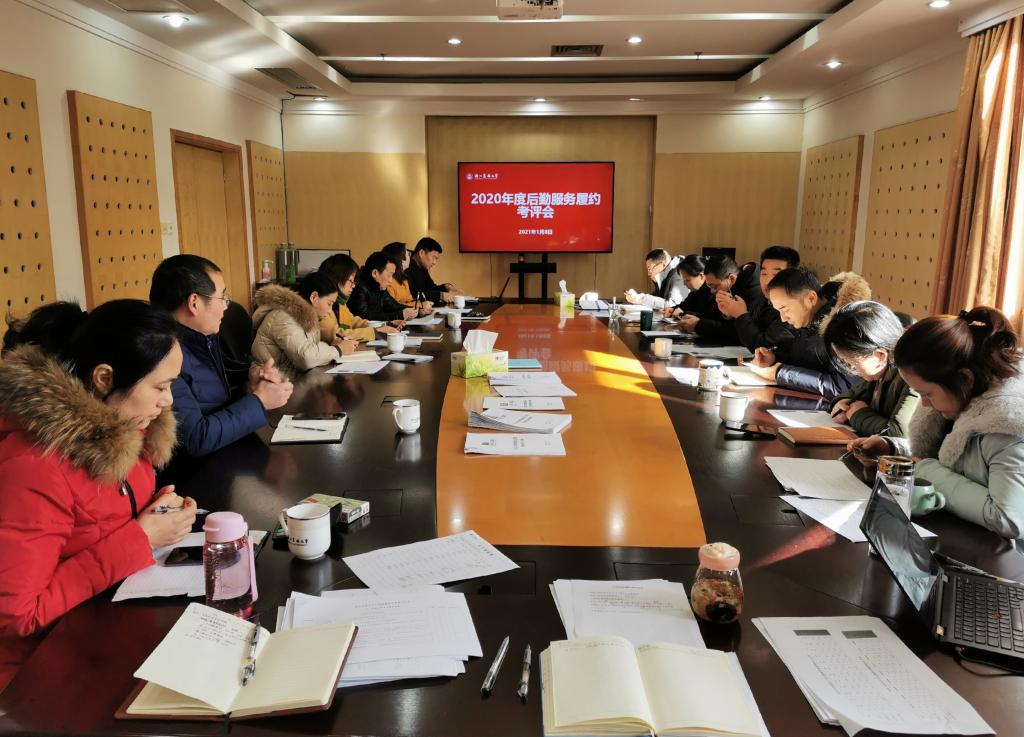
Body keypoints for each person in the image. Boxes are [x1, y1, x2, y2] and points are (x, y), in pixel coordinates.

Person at [0, 300, 197, 688]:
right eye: (160, 387)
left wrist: (158, 514)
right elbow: (16, 615)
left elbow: (103, 520)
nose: (168, 401)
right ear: (105, 378)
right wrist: (140, 539)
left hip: (105, 628)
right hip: (37, 673)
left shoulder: (126, 431)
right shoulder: (34, 466)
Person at [849, 307, 1024, 539]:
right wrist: (893, 448)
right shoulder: (960, 398)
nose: (924, 403)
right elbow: (949, 454)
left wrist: (923, 469)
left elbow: (1009, 518)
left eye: (927, 393)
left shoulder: (1008, 425)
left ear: (965, 378)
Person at [150, 255, 292, 458]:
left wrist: (249, 389)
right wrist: (259, 401)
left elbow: (210, 403)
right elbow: (195, 438)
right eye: (222, 297)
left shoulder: (201, 339)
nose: (226, 306)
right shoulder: (162, 355)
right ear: (194, 303)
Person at [748, 267, 869, 399]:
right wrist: (774, 359)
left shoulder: (847, 325)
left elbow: (841, 386)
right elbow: (808, 363)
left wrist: (780, 373)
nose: (783, 318)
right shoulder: (809, 320)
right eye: (779, 311)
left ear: (811, 298)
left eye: (785, 309)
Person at [823, 301, 919, 437]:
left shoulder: (914, 374)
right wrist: (840, 403)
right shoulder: (878, 370)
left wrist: (858, 415)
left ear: (880, 355)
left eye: (852, 363)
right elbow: (852, 394)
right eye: (845, 362)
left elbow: (898, 432)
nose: (851, 370)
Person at [251, 272, 355, 380]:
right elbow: (305, 358)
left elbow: (307, 348)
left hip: (287, 380)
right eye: (329, 304)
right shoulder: (284, 317)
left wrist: (333, 345)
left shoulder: (306, 317)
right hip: (270, 383)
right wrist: (337, 349)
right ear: (314, 297)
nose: (330, 311)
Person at [715, 245, 798, 352]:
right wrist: (731, 314)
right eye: (764, 273)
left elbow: (765, 348)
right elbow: (744, 334)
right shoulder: (761, 298)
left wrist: (740, 315)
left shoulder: (793, 309)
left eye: (776, 275)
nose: (767, 281)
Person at [676, 255, 763, 345]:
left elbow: (739, 333)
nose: (712, 291)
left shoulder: (754, 290)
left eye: (715, 286)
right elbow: (714, 316)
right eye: (709, 286)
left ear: (731, 279)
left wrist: (698, 325)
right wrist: (693, 320)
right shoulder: (728, 285)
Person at [317, 253, 393, 343]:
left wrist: (383, 325)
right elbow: (337, 335)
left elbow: (352, 321)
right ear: (336, 278)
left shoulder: (340, 303)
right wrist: (374, 332)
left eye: (354, 282)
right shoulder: (322, 304)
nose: (353, 286)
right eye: (350, 281)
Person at [348, 251, 418, 323]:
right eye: (389, 275)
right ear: (375, 273)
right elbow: (363, 316)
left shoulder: (379, 286)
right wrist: (400, 315)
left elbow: (393, 306)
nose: (391, 280)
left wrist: (414, 310)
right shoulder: (359, 287)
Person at [624, 249, 689, 310]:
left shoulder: (678, 275)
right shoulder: (665, 274)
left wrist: (642, 299)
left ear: (663, 264)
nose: (648, 274)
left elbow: (673, 305)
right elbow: (658, 297)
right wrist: (637, 296)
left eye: (650, 269)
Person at [405, 237, 462, 304]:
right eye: (434, 258)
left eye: (436, 259)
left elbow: (431, 288)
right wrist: (441, 296)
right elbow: (413, 293)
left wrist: (446, 287)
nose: (434, 262)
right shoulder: (405, 265)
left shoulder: (422, 267)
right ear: (421, 253)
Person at [382, 241, 433, 315]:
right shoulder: (389, 281)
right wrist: (420, 305)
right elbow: (393, 306)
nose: (410, 256)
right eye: (408, 254)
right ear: (401, 260)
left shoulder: (404, 279)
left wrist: (423, 305)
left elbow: (409, 301)